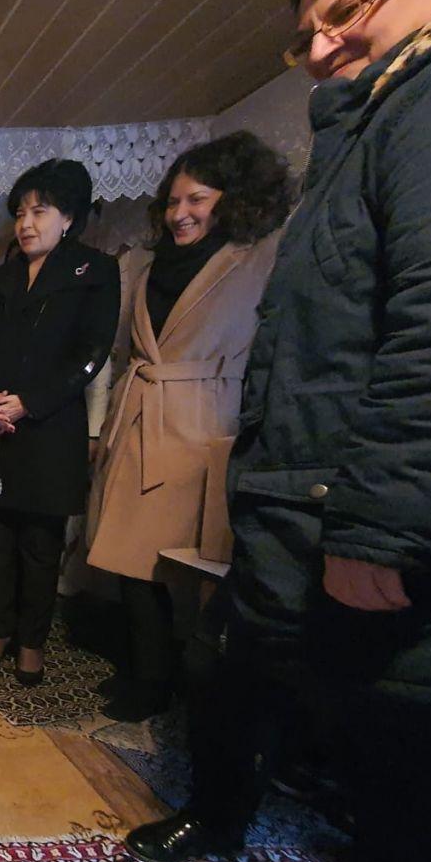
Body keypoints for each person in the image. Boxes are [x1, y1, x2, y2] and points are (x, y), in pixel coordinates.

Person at [124, 0, 431, 862]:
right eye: (308, 29)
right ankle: (219, 816)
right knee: (241, 666)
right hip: (300, 488)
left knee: (405, 730)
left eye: (346, 8)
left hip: (369, 503)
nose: (322, 45)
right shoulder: (380, 112)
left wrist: (383, 528)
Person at [87, 131, 293, 722]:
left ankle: (169, 678)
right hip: (140, 413)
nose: (181, 213)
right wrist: (103, 426)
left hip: (202, 419)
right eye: (174, 201)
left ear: (234, 199)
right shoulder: (147, 264)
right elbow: (123, 350)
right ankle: (149, 671)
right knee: (132, 560)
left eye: (197, 199)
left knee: (181, 564)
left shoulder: (258, 260)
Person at [0, 159, 121, 686]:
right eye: (20, 213)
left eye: (39, 211)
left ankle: (31, 643)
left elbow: (91, 353)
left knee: (40, 544)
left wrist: (30, 403)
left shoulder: (94, 271)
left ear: (68, 217)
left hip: (49, 428)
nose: (26, 223)